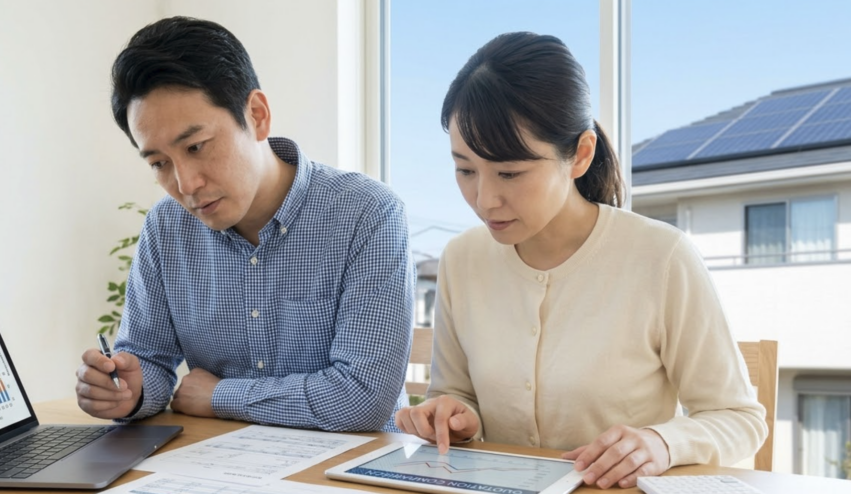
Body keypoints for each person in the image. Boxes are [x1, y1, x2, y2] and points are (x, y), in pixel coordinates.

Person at [394, 32, 767, 489]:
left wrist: (661, 443)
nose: (485, 199)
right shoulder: (462, 258)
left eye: (510, 172)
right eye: (465, 169)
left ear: (580, 155)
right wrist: (455, 417)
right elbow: (455, 395)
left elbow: (740, 420)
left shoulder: (661, 257)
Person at [74, 16, 415, 432]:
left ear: (257, 114)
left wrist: (220, 396)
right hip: (218, 468)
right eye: (160, 163)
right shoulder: (166, 227)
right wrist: (129, 391)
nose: (186, 185)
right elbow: (148, 360)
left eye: (196, 147)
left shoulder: (367, 214)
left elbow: (363, 398)